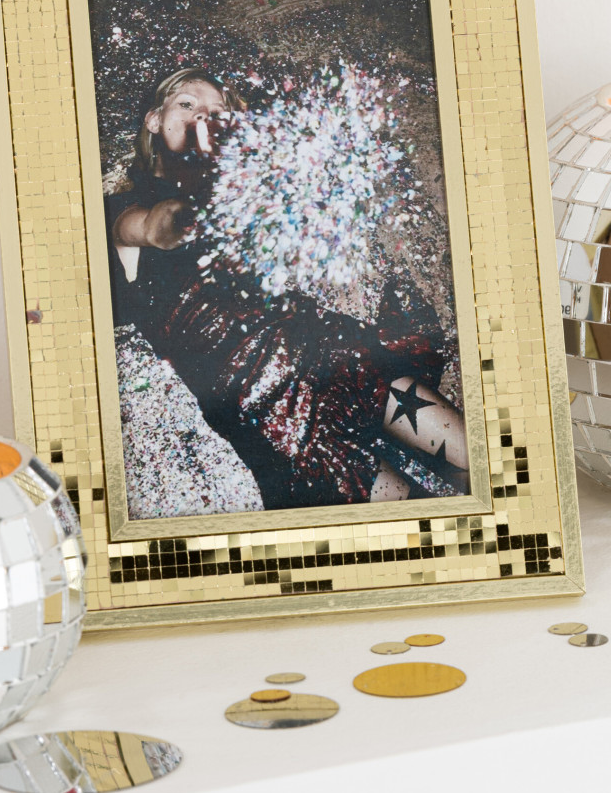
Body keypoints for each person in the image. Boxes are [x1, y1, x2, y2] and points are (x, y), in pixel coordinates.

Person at [105, 66, 470, 510]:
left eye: (217, 111)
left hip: (331, 352)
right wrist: (206, 201)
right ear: (154, 120)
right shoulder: (122, 209)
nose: (204, 116)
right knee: (415, 518)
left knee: (479, 463)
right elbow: (159, 225)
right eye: (187, 104)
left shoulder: (250, 200)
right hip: (268, 413)